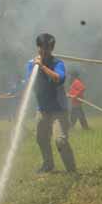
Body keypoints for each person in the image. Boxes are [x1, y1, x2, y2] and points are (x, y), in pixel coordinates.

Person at [27, 33, 76, 173]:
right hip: (42, 109)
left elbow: (58, 78)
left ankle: (71, 170)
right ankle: (48, 165)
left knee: (60, 140)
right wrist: (37, 67)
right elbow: (31, 83)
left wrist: (42, 67)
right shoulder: (31, 65)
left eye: (48, 49)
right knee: (41, 139)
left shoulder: (58, 64)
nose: (44, 51)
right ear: (38, 47)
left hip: (59, 110)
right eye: (42, 48)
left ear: (52, 48)